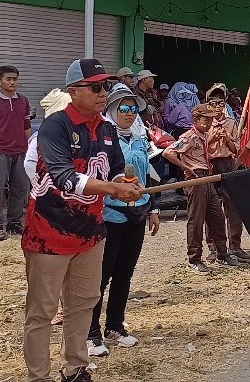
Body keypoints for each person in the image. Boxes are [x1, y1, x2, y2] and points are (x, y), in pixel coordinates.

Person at [23, 59, 142, 382]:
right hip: (50, 233)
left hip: (90, 232)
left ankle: (75, 368)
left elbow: (115, 164)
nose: (104, 93)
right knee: (43, 312)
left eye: (106, 86)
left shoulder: (105, 127)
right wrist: (113, 188)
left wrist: (124, 182)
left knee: (84, 302)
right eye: (96, 87)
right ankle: (39, 376)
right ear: (74, 91)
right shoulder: (55, 126)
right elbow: (63, 177)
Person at [87, 84, 160, 357]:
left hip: (137, 214)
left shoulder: (139, 138)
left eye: (133, 109)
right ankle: (91, 332)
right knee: (101, 276)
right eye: (124, 108)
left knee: (124, 275)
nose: (129, 114)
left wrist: (151, 208)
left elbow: (146, 175)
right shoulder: (103, 139)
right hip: (110, 215)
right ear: (111, 110)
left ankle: (115, 325)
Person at [163, 102, 234, 273]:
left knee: (217, 217)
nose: (209, 123)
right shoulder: (189, 136)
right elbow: (168, 152)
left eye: (210, 120)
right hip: (196, 179)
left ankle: (222, 254)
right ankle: (194, 259)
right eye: (205, 120)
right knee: (196, 219)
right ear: (195, 120)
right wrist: (186, 168)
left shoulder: (203, 136)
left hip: (207, 179)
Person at [0, 65, 32, 240]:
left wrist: (32, 150)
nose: (12, 82)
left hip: (21, 152)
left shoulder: (23, 101)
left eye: (14, 79)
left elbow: (26, 128)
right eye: (8, 79)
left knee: (20, 189)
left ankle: (14, 223)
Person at [204, 93, 250, 264]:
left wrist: (227, 139)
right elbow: (202, 149)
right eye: (213, 103)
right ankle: (214, 248)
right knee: (212, 206)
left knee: (233, 205)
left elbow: (235, 149)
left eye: (220, 103)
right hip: (211, 164)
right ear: (208, 104)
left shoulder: (231, 123)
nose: (217, 106)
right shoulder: (205, 124)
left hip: (228, 163)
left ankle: (235, 245)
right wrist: (213, 138)